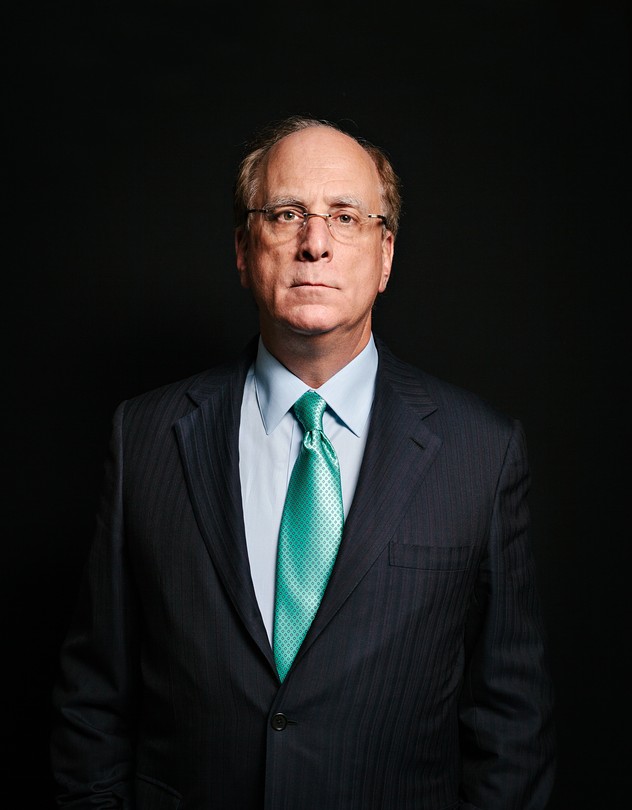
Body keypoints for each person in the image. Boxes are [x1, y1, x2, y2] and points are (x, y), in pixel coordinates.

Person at [50, 114, 556, 809]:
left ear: (385, 254)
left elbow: (512, 725)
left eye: (345, 217)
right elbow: (92, 702)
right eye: (286, 214)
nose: (314, 244)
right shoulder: (145, 437)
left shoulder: (482, 453)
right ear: (242, 248)